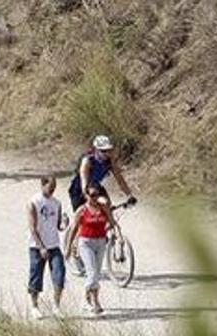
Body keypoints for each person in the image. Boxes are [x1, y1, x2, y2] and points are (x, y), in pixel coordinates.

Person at [65, 185, 121, 315]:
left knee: (97, 272)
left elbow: (112, 222)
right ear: (86, 196)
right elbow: (74, 229)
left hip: (100, 242)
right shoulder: (82, 210)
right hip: (86, 243)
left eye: (96, 195)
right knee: (92, 272)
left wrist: (114, 233)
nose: (94, 198)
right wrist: (68, 247)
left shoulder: (103, 208)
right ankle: (86, 299)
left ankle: (95, 300)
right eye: (92, 195)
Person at [27, 176, 66, 319]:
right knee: (36, 276)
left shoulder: (57, 203)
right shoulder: (34, 202)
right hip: (37, 246)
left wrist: (64, 224)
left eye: (54, 187)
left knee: (59, 274)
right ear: (42, 184)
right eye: (50, 187)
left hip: (54, 245)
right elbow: (32, 228)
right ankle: (34, 306)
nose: (53, 190)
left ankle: (56, 306)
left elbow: (58, 225)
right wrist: (40, 246)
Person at [67, 135, 136, 211]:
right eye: (103, 151)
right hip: (78, 190)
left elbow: (120, 180)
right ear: (95, 149)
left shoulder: (109, 162)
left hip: (95, 186)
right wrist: (88, 196)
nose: (106, 153)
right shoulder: (87, 161)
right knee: (82, 213)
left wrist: (129, 195)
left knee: (107, 205)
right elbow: (84, 181)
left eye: (108, 150)